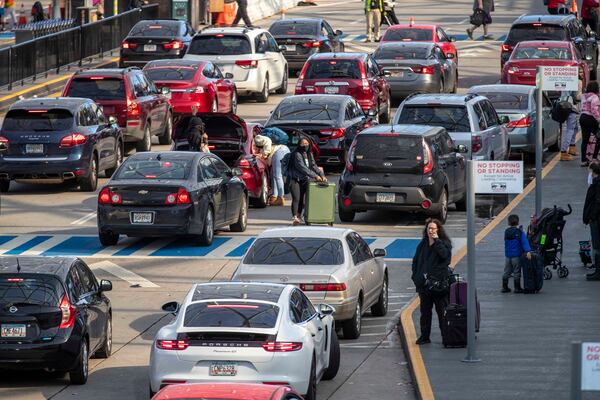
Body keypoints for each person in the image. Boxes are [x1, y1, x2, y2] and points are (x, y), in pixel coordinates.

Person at [411, 219, 452, 345]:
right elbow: (416, 261)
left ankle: (446, 337)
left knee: (442, 313)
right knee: (425, 313)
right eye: (429, 228)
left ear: (438, 230)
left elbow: (446, 257)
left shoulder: (444, 243)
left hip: (439, 285)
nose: (431, 231)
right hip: (424, 286)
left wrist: (437, 241)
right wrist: (416, 276)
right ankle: (424, 336)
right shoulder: (423, 244)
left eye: (434, 228)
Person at [286, 138, 326, 225]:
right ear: (299, 145)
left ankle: (299, 216)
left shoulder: (309, 154)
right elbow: (302, 167)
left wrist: (321, 174)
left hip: (305, 179)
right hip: (295, 179)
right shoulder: (296, 154)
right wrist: (315, 176)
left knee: (303, 200)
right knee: (296, 198)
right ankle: (295, 217)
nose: (305, 145)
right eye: (303, 144)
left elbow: (314, 166)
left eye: (306, 143)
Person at [502, 214, 532, 293]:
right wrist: (528, 251)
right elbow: (524, 242)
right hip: (516, 256)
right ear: (518, 222)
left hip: (508, 256)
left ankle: (504, 287)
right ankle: (517, 288)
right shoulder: (520, 232)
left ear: (508, 223)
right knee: (517, 271)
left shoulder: (506, 232)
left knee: (507, 271)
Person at [559, 71, 583, 161]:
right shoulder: (577, 82)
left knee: (575, 128)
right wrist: (585, 96)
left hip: (564, 106)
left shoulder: (564, 80)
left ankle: (572, 147)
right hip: (572, 108)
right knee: (570, 129)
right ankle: (563, 151)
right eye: (579, 72)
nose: (581, 74)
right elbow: (577, 97)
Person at [584, 162, 600, 280]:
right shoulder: (596, 183)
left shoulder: (597, 184)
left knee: (597, 245)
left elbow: (596, 202)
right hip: (595, 218)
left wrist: (592, 216)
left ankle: (598, 271)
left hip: (596, 219)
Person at [579, 81, 600, 167]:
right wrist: (599, 120)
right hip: (590, 118)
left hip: (582, 117)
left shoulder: (584, 96)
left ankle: (583, 160)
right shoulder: (594, 97)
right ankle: (594, 158)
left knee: (585, 139)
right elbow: (594, 110)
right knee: (599, 137)